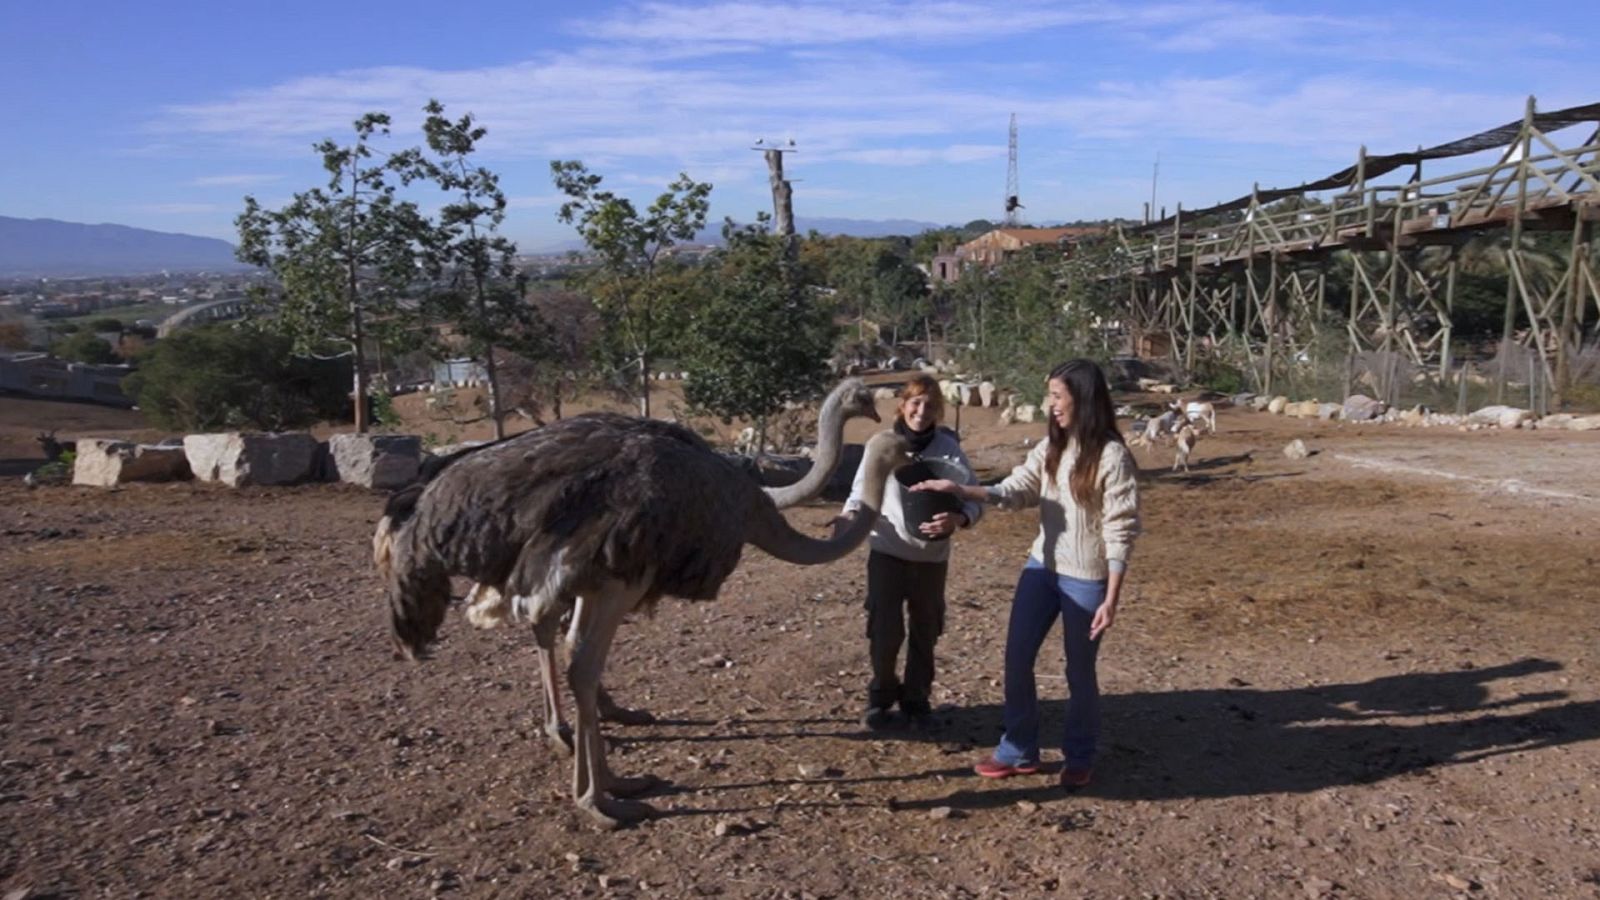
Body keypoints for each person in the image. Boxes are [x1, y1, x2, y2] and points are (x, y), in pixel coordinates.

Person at [913, 359, 1140, 788]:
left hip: (1087, 579)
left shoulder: (1112, 457)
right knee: (1017, 659)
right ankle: (1018, 749)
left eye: (1056, 395)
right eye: (1049, 395)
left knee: (1079, 671)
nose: (1049, 404)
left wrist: (1111, 597)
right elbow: (1017, 489)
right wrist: (960, 490)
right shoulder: (1051, 447)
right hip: (1041, 569)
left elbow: (1120, 528)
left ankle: (1079, 755)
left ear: (1082, 397)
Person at [836, 375, 983, 730]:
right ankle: (881, 698)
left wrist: (960, 518)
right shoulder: (882, 445)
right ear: (902, 406)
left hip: (931, 558)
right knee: (884, 630)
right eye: (916, 403)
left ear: (939, 411)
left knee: (926, 630)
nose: (922, 410)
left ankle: (916, 700)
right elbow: (859, 492)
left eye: (930, 405)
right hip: (887, 551)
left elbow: (974, 497)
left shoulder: (948, 450)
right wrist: (848, 517)